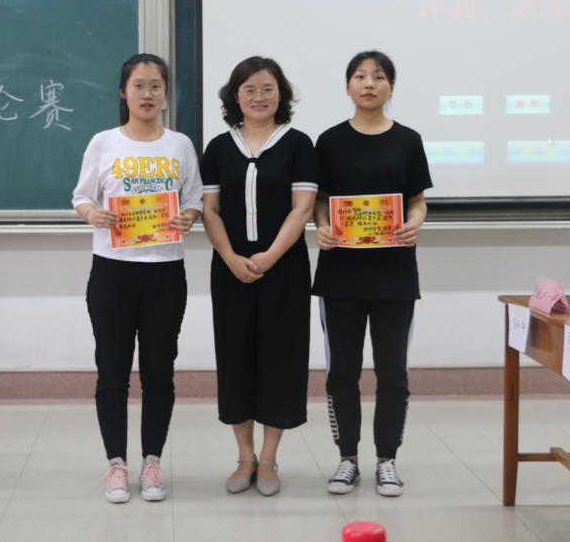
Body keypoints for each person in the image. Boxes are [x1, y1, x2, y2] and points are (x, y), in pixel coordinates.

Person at [71, 53, 203, 504]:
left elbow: (194, 198)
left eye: (156, 86)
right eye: (139, 86)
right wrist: (93, 214)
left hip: (165, 272)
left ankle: (152, 461)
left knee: (159, 373)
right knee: (112, 371)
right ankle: (116, 463)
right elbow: (81, 196)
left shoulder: (180, 145)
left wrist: (188, 217)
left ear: (166, 94)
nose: (147, 94)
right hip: (112, 272)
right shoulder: (104, 142)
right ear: (123, 92)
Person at [312, 50, 431, 498]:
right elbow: (320, 200)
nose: (368, 84)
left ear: (391, 87)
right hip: (340, 275)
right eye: (360, 76)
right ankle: (347, 459)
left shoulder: (408, 140)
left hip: (393, 275)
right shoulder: (329, 141)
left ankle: (387, 460)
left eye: (378, 77)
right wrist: (322, 226)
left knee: (392, 372)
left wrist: (415, 222)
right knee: (341, 372)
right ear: (348, 86)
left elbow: (417, 200)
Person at [200, 56, 317, 496]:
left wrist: (268, 257)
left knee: (280, 360)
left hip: (284, 269)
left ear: (280, 94)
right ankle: (244, 456)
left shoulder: (298, 144)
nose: (259, 97)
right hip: (230, 270)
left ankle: (269, 458)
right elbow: (210, 211)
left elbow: (302, 209)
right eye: (249, 89)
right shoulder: (218, 148)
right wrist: (231, 256)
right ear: (235, 96)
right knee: (236, 360)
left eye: (268, 88)